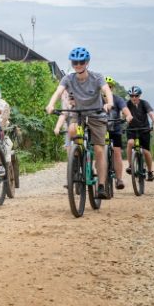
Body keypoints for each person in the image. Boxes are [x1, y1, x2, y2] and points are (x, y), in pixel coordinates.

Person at [46, 46, 114, 199]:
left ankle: (101, 186)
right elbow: (58, 91)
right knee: (71, 130)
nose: (78, 65)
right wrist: (51, 105)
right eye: (75, 63)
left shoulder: (97, 77)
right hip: (79, 114)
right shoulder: (68, 78)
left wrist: (109, 103)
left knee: (98, 149)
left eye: (81, 62)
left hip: (97, 114)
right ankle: (76, 162)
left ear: (87, 62)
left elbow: (107, 91)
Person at [125, 85, 154, 181]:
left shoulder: (144, 104)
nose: (134, 98)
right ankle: (130, 166)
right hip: (132, 130)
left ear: (139, 96)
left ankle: (150, 172)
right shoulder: (127, 104)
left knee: (145, 151)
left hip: (144, 130)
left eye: (136, 96)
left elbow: (151, 114)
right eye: (131, 96)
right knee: (130, 143)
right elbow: (122, 112)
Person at [104, 76, 133, 190]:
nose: (108, 89)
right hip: (101, 129)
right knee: (99, 152)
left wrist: (129, 115)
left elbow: (125, 109)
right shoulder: (98, 100)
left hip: (115, 128)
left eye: (110, 87)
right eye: (105, 86)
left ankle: (119, 179)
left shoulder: (118, 99)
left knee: (117, 152)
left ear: (112, 88)